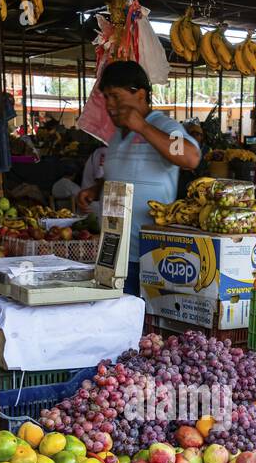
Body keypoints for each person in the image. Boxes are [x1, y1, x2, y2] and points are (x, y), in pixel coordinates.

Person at [76, 61, 200, 294]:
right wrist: (95, 189)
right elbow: (124, 173)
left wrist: (142, 127)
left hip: (152, 256)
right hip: (114, 254)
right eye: (106, 98)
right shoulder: (116, 137)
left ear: (140, 94)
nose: (110, 105)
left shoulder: (164, 126)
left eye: (115, 96)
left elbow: (190, 157)